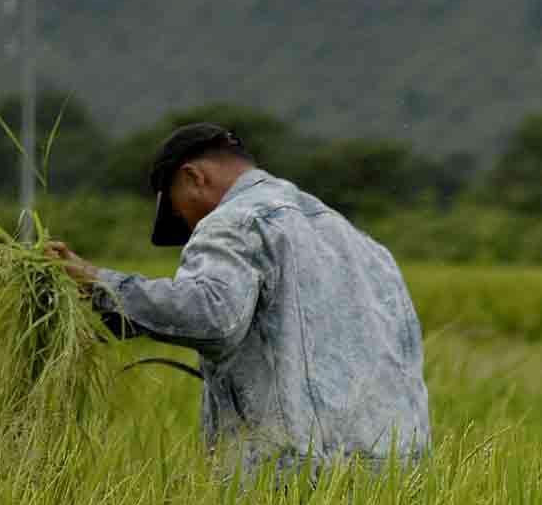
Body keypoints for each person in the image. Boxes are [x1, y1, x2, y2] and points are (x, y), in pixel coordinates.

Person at [46, 122, 431, 479]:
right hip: (393, 474)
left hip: (293, 477)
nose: (189, 225)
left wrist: (99, 283)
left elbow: (212, 315)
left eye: (179, 211)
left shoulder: (237, 219)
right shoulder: (364, 246)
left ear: (194, 177)